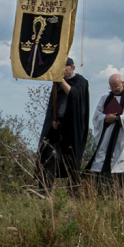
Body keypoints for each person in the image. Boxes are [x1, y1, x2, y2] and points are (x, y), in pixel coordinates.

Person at [37, 57, 91, 194]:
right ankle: (44, 191)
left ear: (72, 67)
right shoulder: (57, 83)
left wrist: (60, 80)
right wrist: (53, 121)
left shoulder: (81, 81)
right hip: (57, 127)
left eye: (64, 68)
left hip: (73, 128)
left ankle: (74, 193)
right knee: (48, 155)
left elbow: (73, 95)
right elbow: (55, 105)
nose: (62, 71)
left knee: (72, 160)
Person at [86, 73, 124, 198]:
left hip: (123, 137)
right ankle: (104, 193)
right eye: (112, 86)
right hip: (107, 135)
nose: (115, 89)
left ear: (122, 83)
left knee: (122, 164)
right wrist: (105, 118)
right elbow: (97, 116)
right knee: (101, 162)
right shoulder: (105, 97)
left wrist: (117, 118)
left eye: (117, 86)